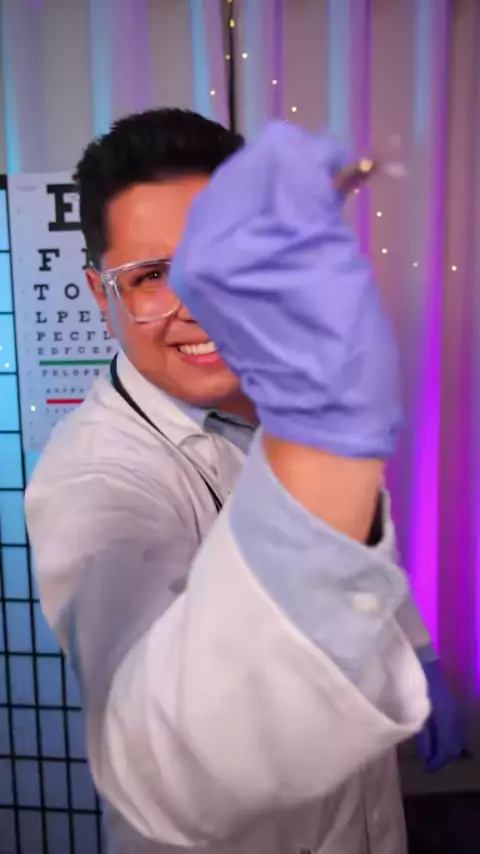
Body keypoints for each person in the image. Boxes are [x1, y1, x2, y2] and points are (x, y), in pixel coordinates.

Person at [25, 109, 461, 854]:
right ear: (102, 295)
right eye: (153, 276)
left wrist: (412, 644)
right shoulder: (96, 481)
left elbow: (350, 538)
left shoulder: (267, 386)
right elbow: (164, 765)